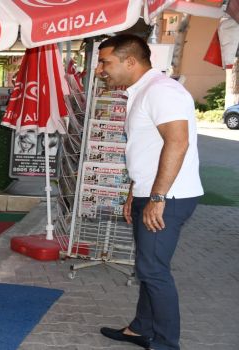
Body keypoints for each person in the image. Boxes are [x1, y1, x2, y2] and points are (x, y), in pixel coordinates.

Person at [96, 34, 203, 350]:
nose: (101, 69)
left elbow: (177, 142)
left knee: (153, 270)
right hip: (153, 192)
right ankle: (141, 328)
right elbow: (145, 149)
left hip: (169, 197)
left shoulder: (162, 92)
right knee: (148, 264)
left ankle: (168, 343)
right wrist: (135, 191)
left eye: (106, 62)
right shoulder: (141, 92)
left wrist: (156, 198)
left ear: (130, 61)